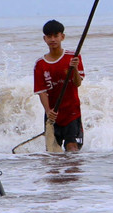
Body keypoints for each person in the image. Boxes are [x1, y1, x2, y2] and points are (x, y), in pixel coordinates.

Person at [34, 19, 85, 152]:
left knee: (72, 148)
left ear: (62, 37)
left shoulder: (73, 57)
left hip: (72, 112)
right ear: (44, 39)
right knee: (53, 153)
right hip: (52, 115)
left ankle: (73, 173)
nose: (53, 39)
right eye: (49, 36)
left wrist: (74, 68)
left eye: (56, 36)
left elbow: (77, 83)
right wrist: (48, 111)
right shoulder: (40, 64)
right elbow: (41, 91)